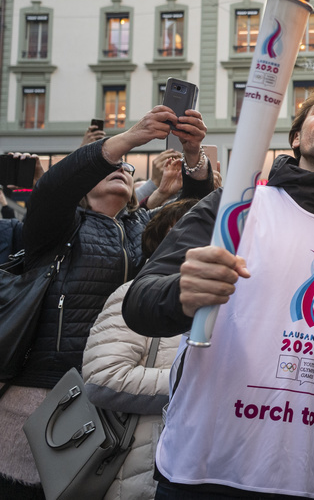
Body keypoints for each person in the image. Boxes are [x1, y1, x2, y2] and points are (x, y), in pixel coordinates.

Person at [122, 81, 314, 499]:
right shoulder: (236, 206)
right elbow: (139, 302)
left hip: (310, 479)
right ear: (296, 137)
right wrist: (183, 292)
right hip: (203, 472)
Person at [0, 106, 211, 499]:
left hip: (112, 405)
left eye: (129, 170)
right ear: (84, 185)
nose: (123, 169)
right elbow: (53, 188)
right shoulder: (56, 226)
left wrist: (193, 154)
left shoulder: (140, 231)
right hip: (38, 403)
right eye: (113, 165)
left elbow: (193, 217)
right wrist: (132, 137)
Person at [81, 198, 200, 500]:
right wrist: (195, 385)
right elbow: (103, 378)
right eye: (189, 232)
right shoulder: (133, 296)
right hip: (143, 476)